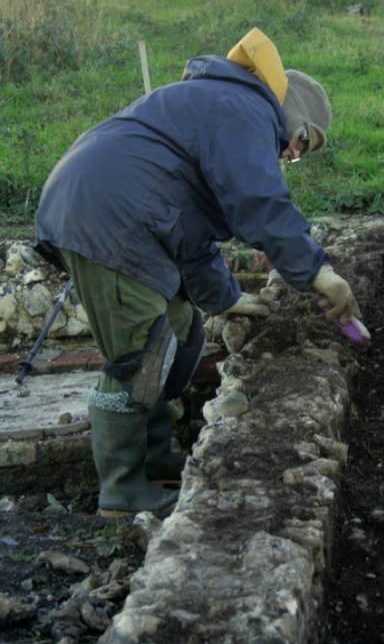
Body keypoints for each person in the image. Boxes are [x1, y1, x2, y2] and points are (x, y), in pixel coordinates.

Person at [34, 27, 361, 520]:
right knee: (139, 352)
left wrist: (225, 296)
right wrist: (319, 272)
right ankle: (122, 492)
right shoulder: (245, 109)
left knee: (183, 332)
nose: (292, 156)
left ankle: (156, 460)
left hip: (126, 211)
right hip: (108, 216)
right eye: (299, 143)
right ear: (289, 114)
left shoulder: (225, 101)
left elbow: (191, 231)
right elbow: (259, 202)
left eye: (302, 153)